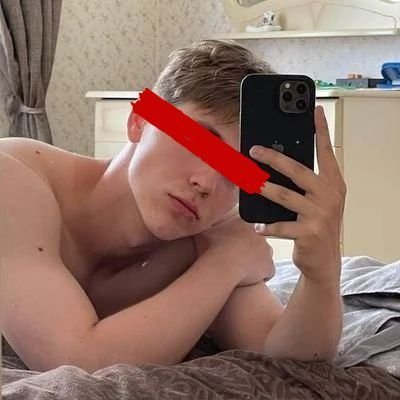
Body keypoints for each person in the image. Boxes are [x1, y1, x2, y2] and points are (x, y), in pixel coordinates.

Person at [0, 40, 346, 373]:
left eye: (237, 173)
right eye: (198, 143)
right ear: (139, 121)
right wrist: (224, 265)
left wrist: (322, 274)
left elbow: (286, 355)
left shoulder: (216, 233)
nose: (206, 183)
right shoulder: (14, 178)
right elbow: (75, 362)